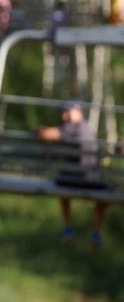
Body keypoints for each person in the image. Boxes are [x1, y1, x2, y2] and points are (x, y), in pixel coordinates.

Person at [36, 102, 108, 250]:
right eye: (63, 112)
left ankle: (68, 228)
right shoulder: (87, 127)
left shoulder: (73, 127)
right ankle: (95, 234)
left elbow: (45, 135)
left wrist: (38, 129)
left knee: (62, 188)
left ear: (78, 112)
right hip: (93, 180)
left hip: (76, 180)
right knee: (104, 194)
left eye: (68, 111)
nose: (64, 115)